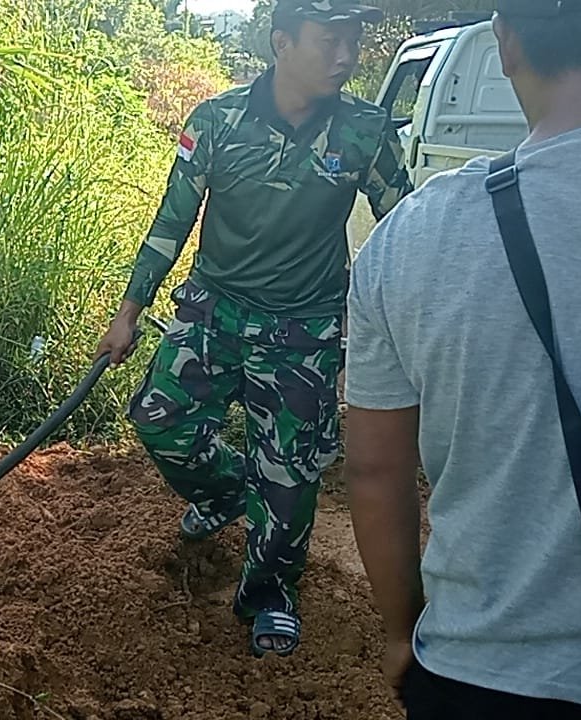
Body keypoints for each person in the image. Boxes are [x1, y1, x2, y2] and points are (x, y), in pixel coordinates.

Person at [95, 0, 412, 657]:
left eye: (353, 41)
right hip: (214, 311)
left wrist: (404, 316)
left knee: (290, 476)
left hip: (304, 330)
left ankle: (270, 594)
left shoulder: (365, 130)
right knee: (159, 419)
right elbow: (171, 221)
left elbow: (407, 224)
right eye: (330, 40)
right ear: (281, 43)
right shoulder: (217, 122)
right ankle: (226, 490)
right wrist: (128, 311)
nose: (346, 56)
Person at [344, 0, 581, 716]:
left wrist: (401, 631)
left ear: (505, 43)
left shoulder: (410, 239)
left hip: (480, 670)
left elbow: (376, 470)